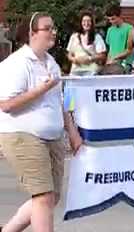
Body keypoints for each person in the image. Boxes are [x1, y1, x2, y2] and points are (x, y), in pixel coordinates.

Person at [0, 12, 82, 232]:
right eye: (47, 28)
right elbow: (6, 105)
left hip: (52, 137)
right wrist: (40, 89)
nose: (53, 32)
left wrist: (73, 133)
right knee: (43, 196)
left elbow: (60, 102)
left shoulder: (51, 63)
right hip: (22, 135)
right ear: (32, 33)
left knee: (51, 197)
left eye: (53, 27)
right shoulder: (16, 64)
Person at [66, 11, 107, 76]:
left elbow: (102, 55)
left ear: (92, 23)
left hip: (91, 70)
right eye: (84, 21)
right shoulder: (74, 36)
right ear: (81, 23)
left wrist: (89, 58)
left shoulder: (96, 37)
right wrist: (75, 60)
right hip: (75, 70)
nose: (86, 23)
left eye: (89, 21)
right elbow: (69, 54)